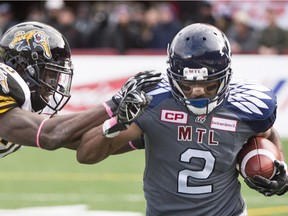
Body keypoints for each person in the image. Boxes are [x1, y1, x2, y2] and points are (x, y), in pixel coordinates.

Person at [76, 23, 288, 215]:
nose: (197, 92)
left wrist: (279, 165)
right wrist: (117, 121)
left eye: (209, 85)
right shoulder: (152, 102)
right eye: (187, 85)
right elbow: (87, 154)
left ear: (225, 77)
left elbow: (267, 132)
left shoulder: (248, 106)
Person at [0, 21, 161, 157]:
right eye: (50, 75)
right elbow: (49, 135)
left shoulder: (21, 107)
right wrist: (116, 103)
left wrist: (141, 137)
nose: (54, 85)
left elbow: (80, 139)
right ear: (22, 67)